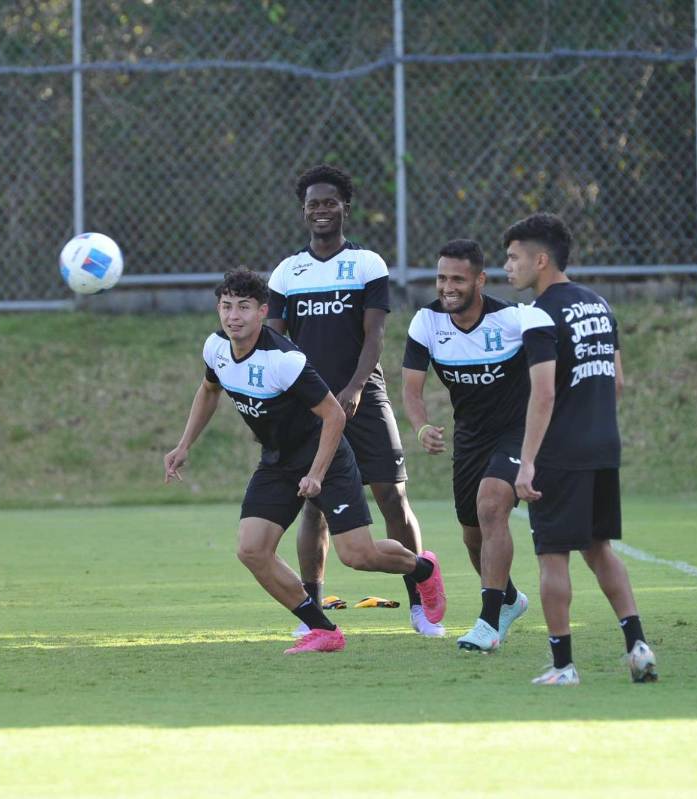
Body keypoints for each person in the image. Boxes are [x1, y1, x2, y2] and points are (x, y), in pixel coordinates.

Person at [164, 268, 446, 654]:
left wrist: (316, 474)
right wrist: (184, 445)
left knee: (358, 555)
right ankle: (323, 629)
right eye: (226, 306)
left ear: (263, 312)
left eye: (244, 307)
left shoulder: (284, 360)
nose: (233, 316)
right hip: (278, 462)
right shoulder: (216, 348)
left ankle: (424, 569)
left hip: (326, 458)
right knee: (251, 549)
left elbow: (334, 415)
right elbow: (209, 390)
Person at [267, 164, 439, 636]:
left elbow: (375, 334)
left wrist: (357, 386)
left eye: (330, 202)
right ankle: (314, 615)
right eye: (313, 204)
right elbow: (275, 342)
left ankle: (420, 604)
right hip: (312, 405)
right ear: (303, 211)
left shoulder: (367, 264)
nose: (321, 210)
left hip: (364, 394)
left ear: (345, 207)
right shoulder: (287, 272)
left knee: (392, 496)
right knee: (314, 504)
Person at [504, 213, 657, 686]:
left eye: (514, 257)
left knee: (552, 556)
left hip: (560, 452)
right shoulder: (599, 304)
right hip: (602, 445)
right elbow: (618, 381)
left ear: (541, 260)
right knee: (598, 549)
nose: (507, 267)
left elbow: (544, 393)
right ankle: (638, 645)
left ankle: (563, 665)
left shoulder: (538, 313)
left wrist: (527, 461)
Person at [402, 239, 530, 652]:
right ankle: (509, 599)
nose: (447, 287)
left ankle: (488, 624)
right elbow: (411, 390)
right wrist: (422, 427)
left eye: (458, 279)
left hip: (517, 432)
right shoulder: (427, 322)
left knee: (492, 506)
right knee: (473, 538)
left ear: (480, 280)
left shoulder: (511, 320)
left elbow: (552, 367)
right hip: (471, 438)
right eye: (442, 278)